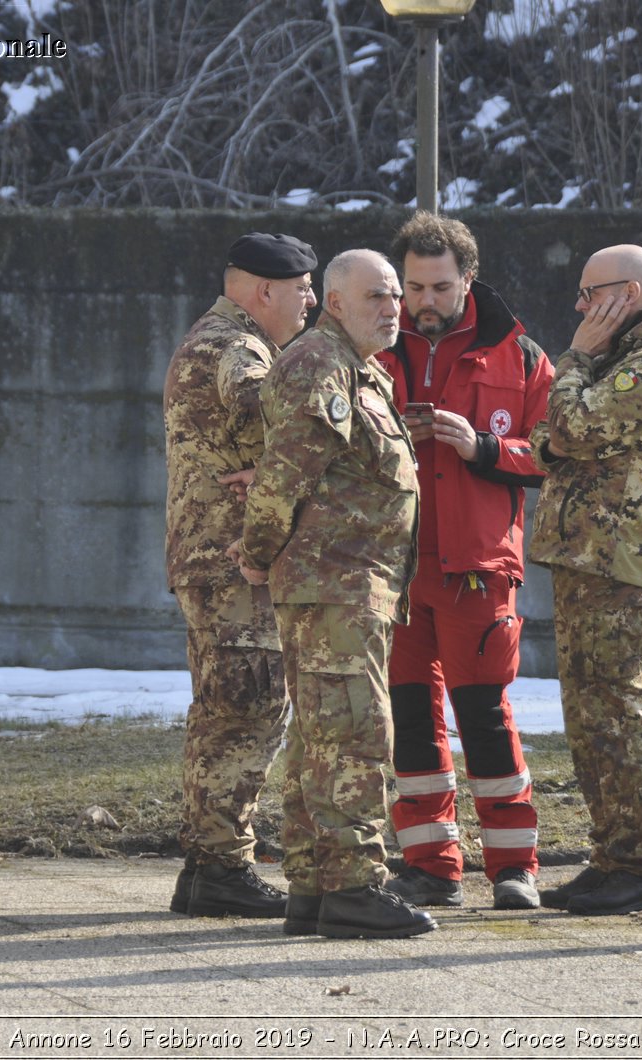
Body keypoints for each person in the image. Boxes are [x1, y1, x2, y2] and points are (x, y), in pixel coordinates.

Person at [229, 248, 436, 940]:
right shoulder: (320, 362)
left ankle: (316, 887)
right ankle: (355, 885)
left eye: (397, 297)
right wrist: (258, 554)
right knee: (354, 733)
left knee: (324, 736)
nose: (393, 308)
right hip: (335, 584)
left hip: (352, 584)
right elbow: (285, 475)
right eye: (377, 295)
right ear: (337, 302)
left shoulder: (359, 369)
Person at [375, 212, 554, 911]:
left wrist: (479, 446)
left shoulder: (523, 355)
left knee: (484, 715)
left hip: (477, 568)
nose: (423, 300)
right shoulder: (372, 347)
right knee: (411, 719)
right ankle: (430, 866)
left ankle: (515, 868)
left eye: (439, 285)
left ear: (468, 278)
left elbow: (554, 454)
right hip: (393, 567)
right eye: (412, 285)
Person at [526, 245, 642, 916]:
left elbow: (566, 426)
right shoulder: (616, 364)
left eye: (587, 293)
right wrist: (573, 400)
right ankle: (612, 856)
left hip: (618, 560)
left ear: (625, 295)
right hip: (591, 557)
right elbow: (548, 438)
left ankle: (641, 862)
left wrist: (571, 359)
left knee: (619, 709)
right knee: (591, 712)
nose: (578, 307)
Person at [162, 232, 318, 919]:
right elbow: (271, 407)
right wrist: (304, 463)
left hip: (215, 564)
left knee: (225, 712)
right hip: (236, 567)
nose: (312, 300)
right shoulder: (238, 347)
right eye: (303, 289)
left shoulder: (218, 336)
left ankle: (209, 866)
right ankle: (223, 865)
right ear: (264, 292)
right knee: (246, 713)